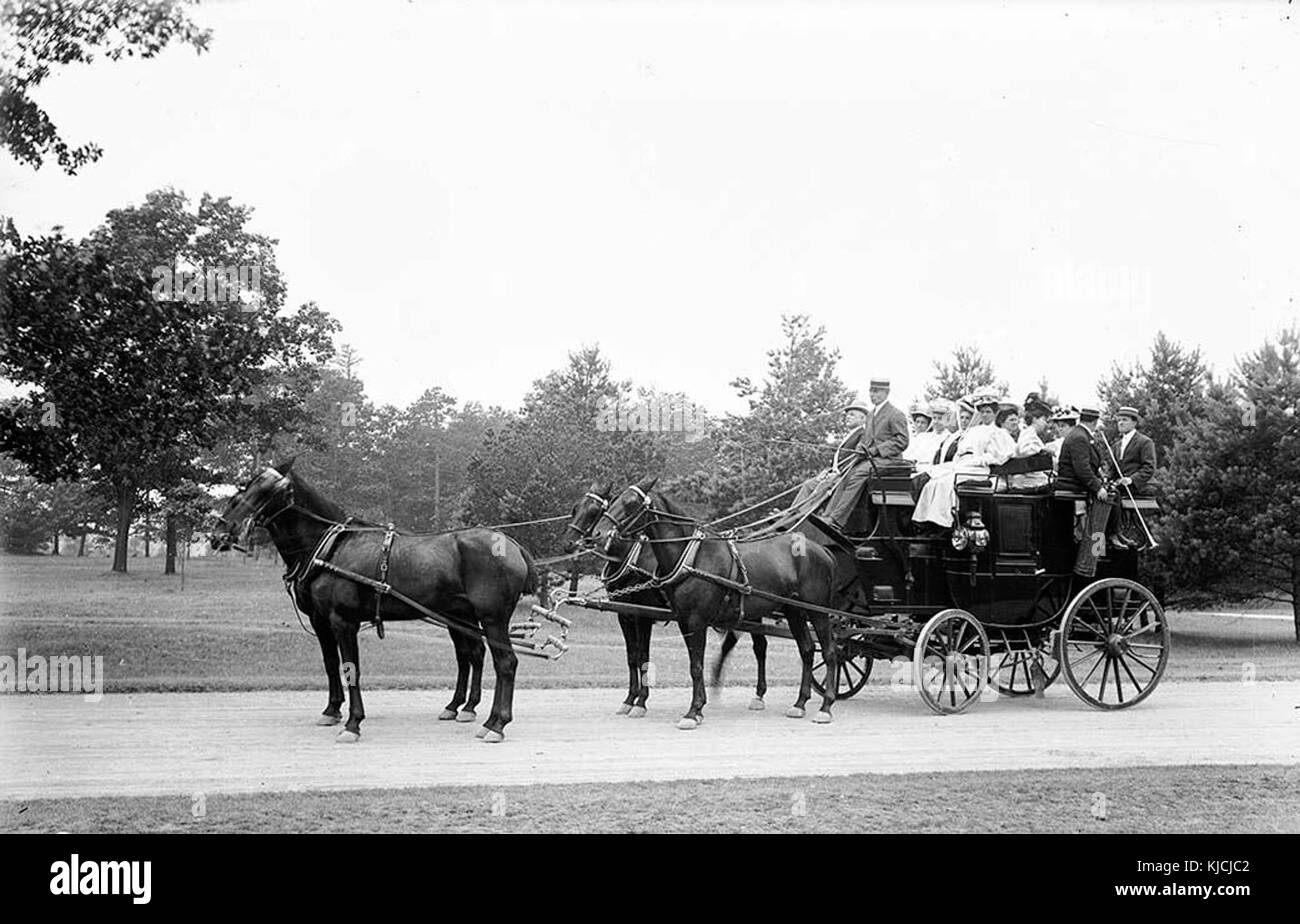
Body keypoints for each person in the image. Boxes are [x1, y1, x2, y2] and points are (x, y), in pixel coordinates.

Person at [912, 392, 1015, 529]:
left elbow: (999, 456)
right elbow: (961, 451)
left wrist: (978, 460)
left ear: (995, 413)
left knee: (946, 482)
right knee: (933, 480)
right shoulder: (973, 431)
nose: (984, 415)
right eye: (982, 411)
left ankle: (943, 522)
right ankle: (925, 520)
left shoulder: (998, 432)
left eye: (988, 412)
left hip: (980, 469)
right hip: (963, 464)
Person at [822, 378, 910, 532]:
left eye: (876, 391)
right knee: (847, 473)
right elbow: (866, 439)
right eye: (871, 391)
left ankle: (837, 519)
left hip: (890, 461)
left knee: (860, 473)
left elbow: (902, 441)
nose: (872, 394)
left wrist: (876, 450)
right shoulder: (871, 415)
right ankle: (827, 515)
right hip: (873, 459)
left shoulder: (895, 414)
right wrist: (859, 450)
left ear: (886, 393)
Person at [1057, 405, 1127, 576]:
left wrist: (1100, 481)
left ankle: (1112, 533)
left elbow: (1087, 466)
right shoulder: (1080, 437)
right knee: (1108, 496)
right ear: (1095, 422)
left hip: (1075, 483)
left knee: (1112, 492)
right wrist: (1098, 488)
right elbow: (1082, 469)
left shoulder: (1080, 435)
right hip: (1073, 485)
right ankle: (1099, 548)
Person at [1007, 395, 1054, 490]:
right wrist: (1042, 450)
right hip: (1028, 481)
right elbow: (1024, 450)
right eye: (1044, 420)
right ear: (1034, 419)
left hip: (1032, 478)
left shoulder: (1032, 434)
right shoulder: (1028, 432)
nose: (1045, 424)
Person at [1109, 406, 1157, 496]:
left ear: (1134, 423)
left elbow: (1149, 468)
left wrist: (1131, 479)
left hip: (1139, 490)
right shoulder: (1116, 445)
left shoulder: (1145, 442)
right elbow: (1113, 469)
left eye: (1124, 420)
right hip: (1120, 491)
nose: (1120, 423)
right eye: (1119, 420)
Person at [903, 402, 942, 468]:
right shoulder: (913, 438)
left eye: (923, 423)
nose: (919, 425)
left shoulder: (932, 438)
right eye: (917, 422)